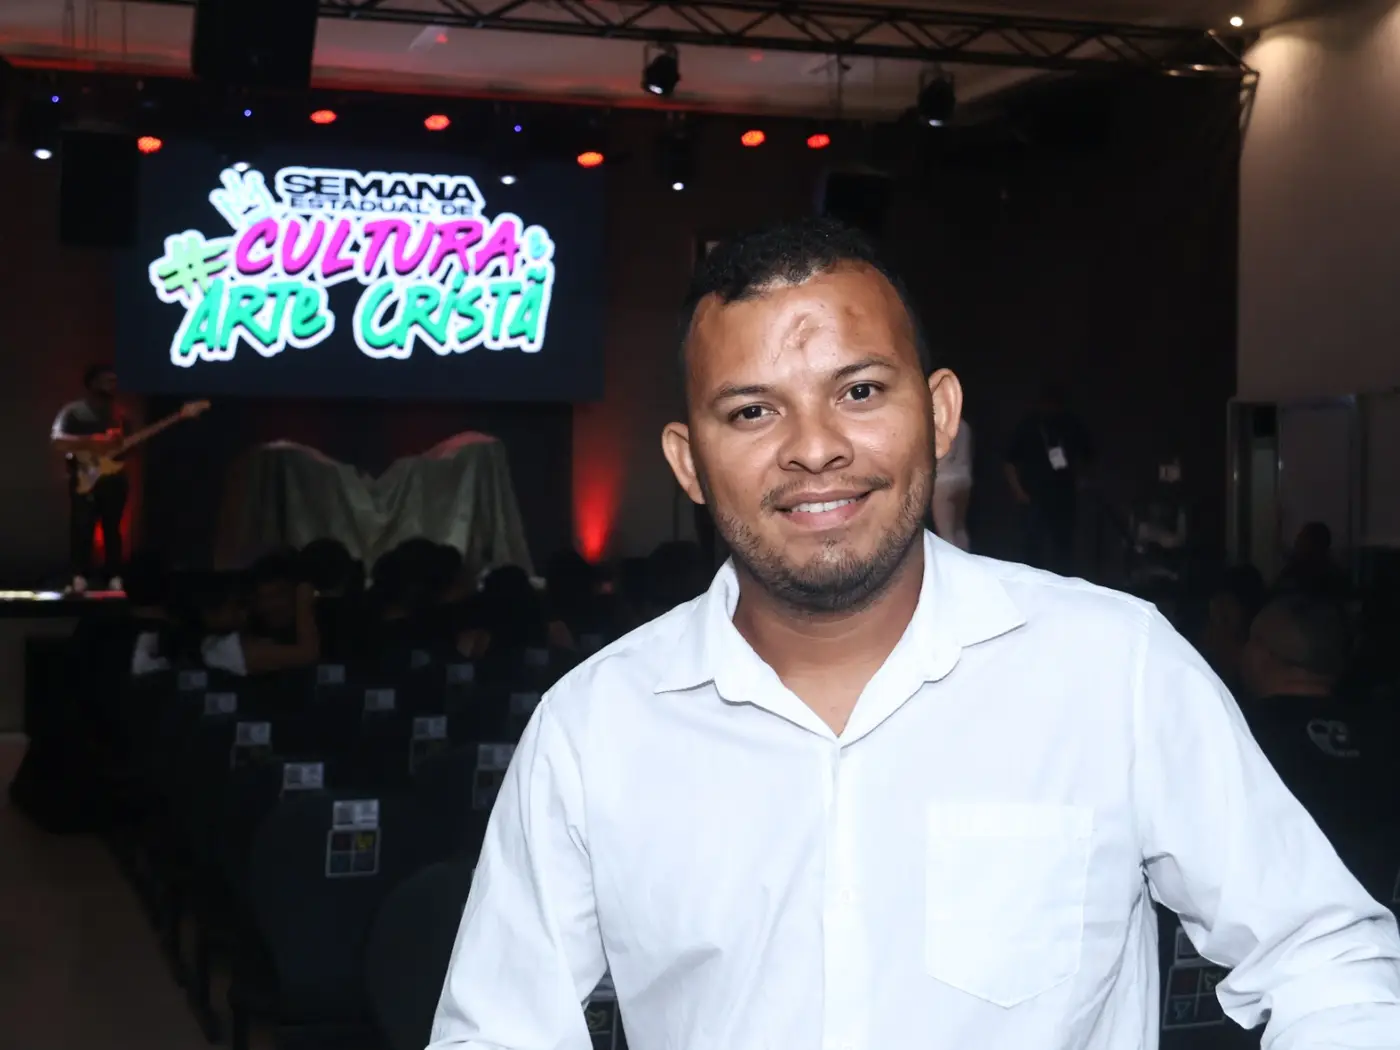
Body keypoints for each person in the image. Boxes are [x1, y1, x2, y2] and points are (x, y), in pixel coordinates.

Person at [430, 219, 1400, 1050]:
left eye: (858, 392)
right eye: (753, 411)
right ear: (688, 463)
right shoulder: (594, 729)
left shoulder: (1113, 668)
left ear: (938, 415)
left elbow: (1325, 959)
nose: (815, 449)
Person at [50, 363, 129, 594]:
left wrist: (120, 446)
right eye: (107, 380)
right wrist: (93, 442)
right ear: (92, 383)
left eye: (114, 381)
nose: (112, 385)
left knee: (113, 528)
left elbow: (130, 447)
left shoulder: (120, 414)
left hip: (114, 478)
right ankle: (78, 575)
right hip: (85, 477)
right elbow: (57, 440)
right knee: (82, 526)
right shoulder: (73, 412)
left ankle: (114, 575)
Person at [1004, 383, 1092, 575]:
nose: (1051, 409)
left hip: (1064, 494)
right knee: (1033, 546)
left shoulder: (1071, 425)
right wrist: (1018, 491)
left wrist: (1082, 480)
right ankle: (1033, 581)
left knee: (1063, 547)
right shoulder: (1029, 426)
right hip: (1033, 495)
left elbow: (1088, 455)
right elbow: (1010, 461)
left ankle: (1062, 581)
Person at [931, 417, 972, 550]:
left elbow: (944, 455)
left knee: (946, 532)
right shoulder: (964, 425)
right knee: (960, 528)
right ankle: (965, 556)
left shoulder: (941, 425)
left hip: (944, 481)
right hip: (964, 477)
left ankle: (951, 560)